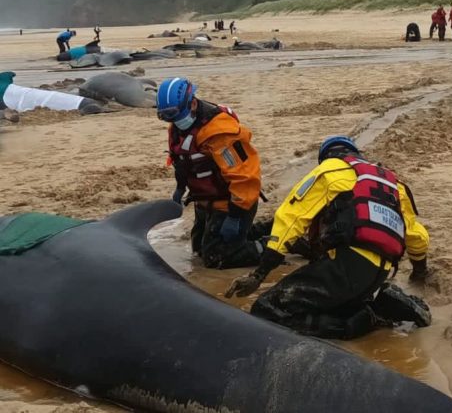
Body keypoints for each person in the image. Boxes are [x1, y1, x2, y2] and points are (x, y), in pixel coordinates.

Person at [226, 135, 431, 340]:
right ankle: (383, 302)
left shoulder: (329, 170)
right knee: (332, 303)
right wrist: (419, 271)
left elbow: (291, 217)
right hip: (379, 271)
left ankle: (373, 317)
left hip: (346, 264)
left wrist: (259, 274)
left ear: (326, 157)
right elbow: (417, 236)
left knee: (268, 309)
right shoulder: (394, 184)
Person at [156, 77, 267, 269]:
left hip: (233, 202)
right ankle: (261, 231)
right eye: (164, 116)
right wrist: (180, 188)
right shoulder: (177, 128)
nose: (171, 120)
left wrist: (235, 215)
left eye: (173, 114)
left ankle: (274, 247)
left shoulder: (219, 133)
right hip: (205, 201)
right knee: (199, 250)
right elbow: (181, 161)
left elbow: (244, 176)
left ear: (192, 104)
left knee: (216, 257)